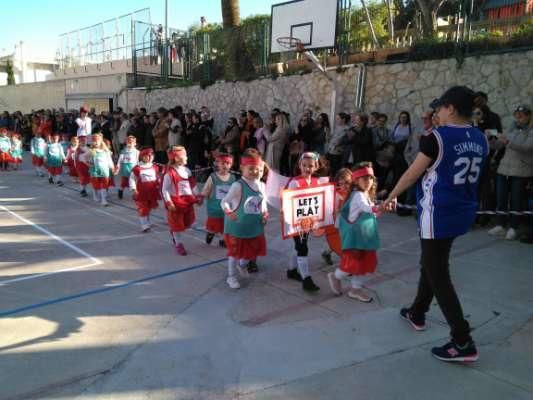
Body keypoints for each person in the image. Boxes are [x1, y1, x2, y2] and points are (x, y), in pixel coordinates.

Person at [382, 86, 488, 362]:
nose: (436, 112)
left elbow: (411, 173)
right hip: (462, 211)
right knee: (432, 262)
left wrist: (390, 197)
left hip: (437, 212)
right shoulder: (481, 138)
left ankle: (462, 340)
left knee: (438, 272)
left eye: (439, 108)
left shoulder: (436, 138)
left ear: (451, 108)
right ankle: (417, 311)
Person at [328, 163, 381, 302]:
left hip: (363, 238)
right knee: (352, 264)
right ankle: (336, 276)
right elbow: (367, 209)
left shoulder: (365, 194)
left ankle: (355, 289)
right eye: (364, 178)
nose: (368, 181)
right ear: (356, 180)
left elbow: (372, 214)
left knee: (362, 265)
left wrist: (382, 208)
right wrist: (383, 204)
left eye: (370, 178)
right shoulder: (358, 195)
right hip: (355, 239)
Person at [221, 148, 268, 289]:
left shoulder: (261, 185)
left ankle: (242, 266)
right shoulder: (237, 185)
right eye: (251, 168)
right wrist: (229, 211)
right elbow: (224, 201)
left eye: (259, 169)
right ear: (242, 168)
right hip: (237, 226)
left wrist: (265, 213)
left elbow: (262, 202)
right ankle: (231, 277)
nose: (256, 172)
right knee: (234, 253)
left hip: (253, 225)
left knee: (250, 251)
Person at [488, 105, 533, 240]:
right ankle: (500, 225)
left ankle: (514, 227)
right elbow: (498, 146)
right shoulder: (511, 128)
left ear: (529, 116)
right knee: (501, 198)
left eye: (522, 115)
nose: (518, 117)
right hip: (504, 169)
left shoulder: (531, 131)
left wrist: (507, 141)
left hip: (521, 170)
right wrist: (491, 139)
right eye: (517, 115)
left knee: (516, 201)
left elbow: (527, 148)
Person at [285, 152, 327, 292]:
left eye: (310, 166)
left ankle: (291, 270)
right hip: (296, 223)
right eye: (304, 165)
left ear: (316, 167)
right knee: (303, 248)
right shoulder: (294, 182)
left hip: (308, 221)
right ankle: (306, 279)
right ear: (299, 165)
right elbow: (288, 202)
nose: (307, 168)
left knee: (300, 246)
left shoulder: (316, 182)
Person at [162, 146, 202, 256]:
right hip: (176, 203)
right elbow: (164, 189)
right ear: (177, 158)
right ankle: (178, 243)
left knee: (187, 222)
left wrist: (198, 195)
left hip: (187, 202)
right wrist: (169, 202)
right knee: (177, 226)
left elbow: (192, 184)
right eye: (185, 155)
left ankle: (174, 232)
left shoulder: (187, 171)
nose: (187, 157)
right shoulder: (169, 173)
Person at [202, 152, 236, 248]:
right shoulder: (213, 177)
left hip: (227, 209)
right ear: (218, 164)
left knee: (225, 225)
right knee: (214, 224)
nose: (225, 165)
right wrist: (202, 197)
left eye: (227, 163)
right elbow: (206, 190)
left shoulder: (233, 178)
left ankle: (223, 240)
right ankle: (211, 232)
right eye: (223, 163)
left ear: (231, 165)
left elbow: (235, 192)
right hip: (215, 207)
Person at [321, 167, 352, 265]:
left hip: (349, 222)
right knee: (338, 242)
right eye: (340, 183)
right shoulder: (335, 195)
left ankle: (326, 253)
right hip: (337, 223)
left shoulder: (355, 193)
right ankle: (348, 265)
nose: (344, 186)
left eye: (347, 183)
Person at [129, 148, 161, 232]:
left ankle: (147, 222)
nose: (150, 157)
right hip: (142, 192)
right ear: (142, 157)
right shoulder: (137, 168)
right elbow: (132, 179)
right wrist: (133, 188)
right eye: (147, 156)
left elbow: (157, 177)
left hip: (152, 192)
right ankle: (144, 225)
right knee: (143, 208)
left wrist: (160, 185)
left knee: (149, 208)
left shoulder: (155, 167)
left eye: (151, 156)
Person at [89, 133, 115, 206]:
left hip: (105, 171)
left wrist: (112, 167)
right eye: (94, 141)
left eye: (97, 140)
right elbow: (85, 159)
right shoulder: (91, 151)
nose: (96, 142)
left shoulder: (106, 151)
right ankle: (95, 194)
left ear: (101, 141)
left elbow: (109, 160)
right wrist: (89, 163)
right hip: (95, 171)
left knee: (104, 185)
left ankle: (104, 200)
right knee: (96, 185)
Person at [115, 135, 140, 200]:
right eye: (128, 142)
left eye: (131, 142)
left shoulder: (137, 152)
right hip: (125, 168)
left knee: (134, 182)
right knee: (124, 182)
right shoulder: (123, 151)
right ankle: (120, 190)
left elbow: (138, 160)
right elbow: (120, 160)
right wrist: (117, 167)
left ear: (134, 143)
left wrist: (139, 168)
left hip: (133, 169)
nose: (129, 144)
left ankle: (135, 194)